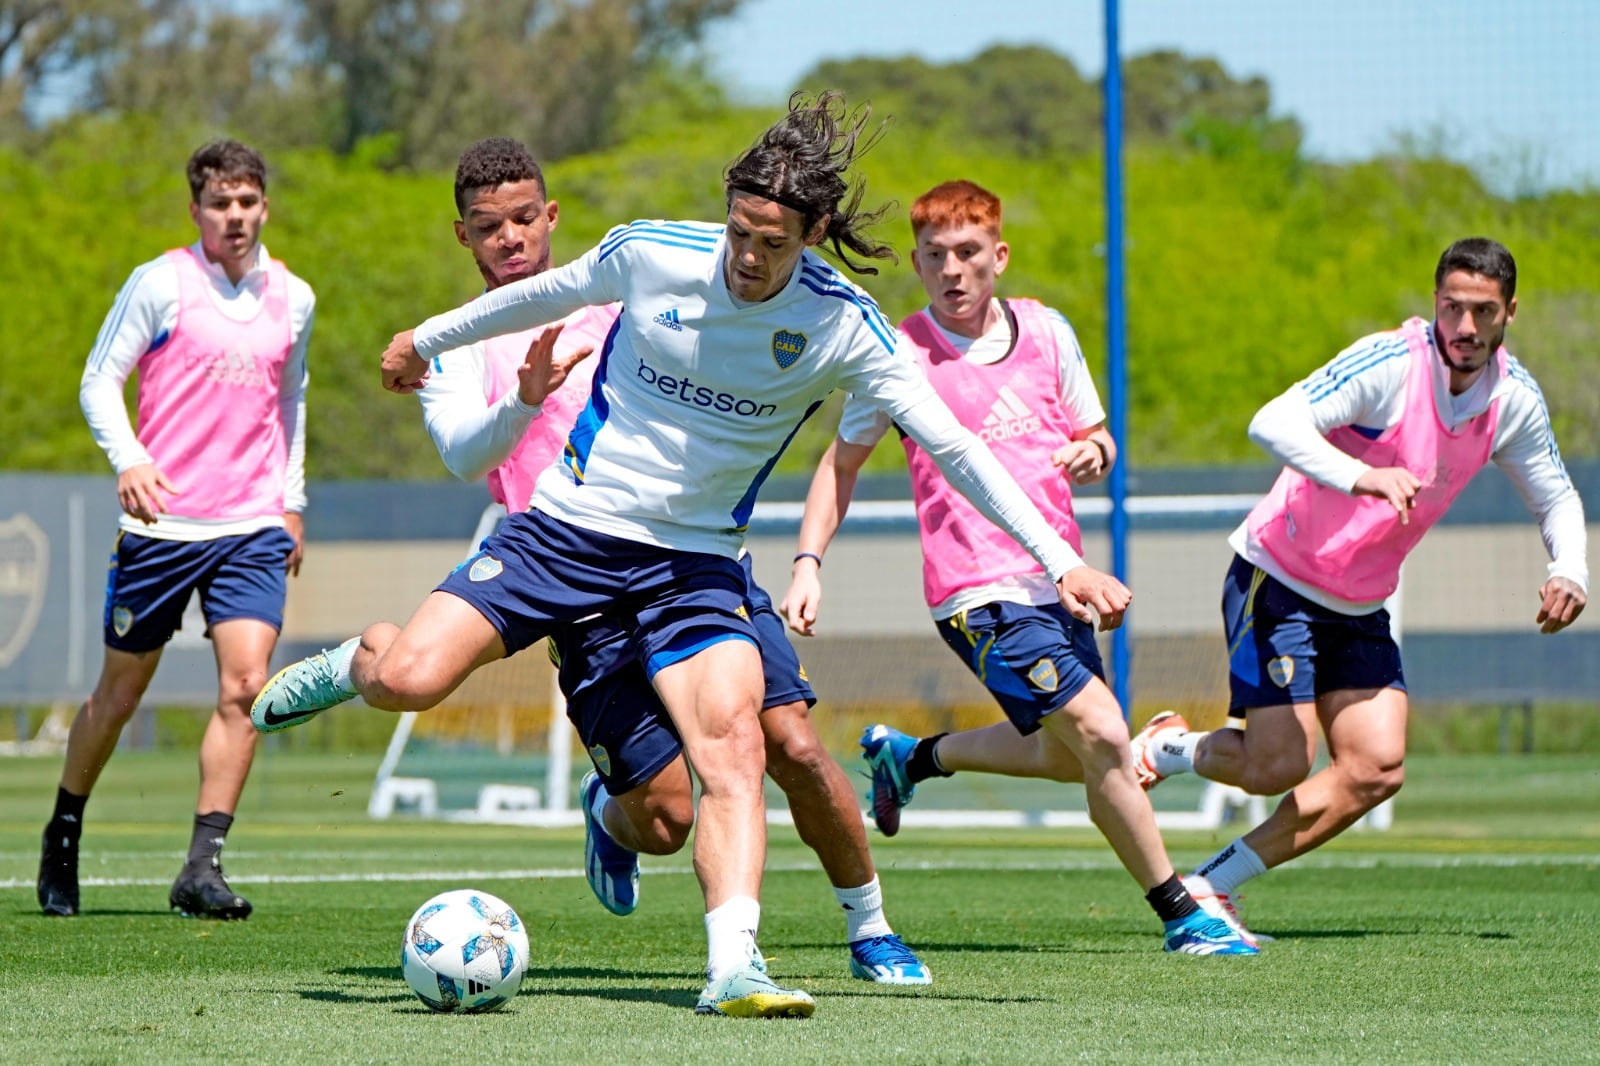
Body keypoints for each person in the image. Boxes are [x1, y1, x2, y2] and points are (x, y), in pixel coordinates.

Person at [252, 91, 1127, 1018]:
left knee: (738, 746)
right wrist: (420, 342)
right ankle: (360, 660)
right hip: (564, 534)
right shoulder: (653, 254)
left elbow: (958, 448)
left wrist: (1059, 561)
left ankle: (735, 966)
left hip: (695, 565)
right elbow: (549, 291)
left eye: (774, 242)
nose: (749, 259)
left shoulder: (846, 325)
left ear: (814, 232)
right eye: (740, 232)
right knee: (412, 681)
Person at [416, 137, 928, 985]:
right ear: (462, 237)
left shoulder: (623, 292)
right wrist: (523, 396)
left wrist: (804, 555)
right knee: (663, 820)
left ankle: (868, 927)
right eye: (485, 227)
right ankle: (609, 819)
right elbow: (467, 457)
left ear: (550, 218)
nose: (508, 239)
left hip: (691, 560)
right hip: (570, 569)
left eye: (521, 220)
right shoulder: (466, 341)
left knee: (791, 742)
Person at [780, 179, 1255, 957]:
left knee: (1069, 757)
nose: (953, 271)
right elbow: (841, 465)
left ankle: (912, 757)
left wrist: (1093, 452)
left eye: (968, 253)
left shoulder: (1046, 331)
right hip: (975, 591)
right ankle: (1185, 914)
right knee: (1103, 733)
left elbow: (1095, 434)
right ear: (918, 262)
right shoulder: (897, 353)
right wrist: (807, 563)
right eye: (935, 257)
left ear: (999, 256)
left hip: (1056, 581)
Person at [1126, 237, 1587, 942]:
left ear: (1509, 314)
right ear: (1434, 302)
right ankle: (1170, 750)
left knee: (1376, 768)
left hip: (1360, 600)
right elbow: (1271, 421)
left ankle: (1210, 885)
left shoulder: (1513, 401)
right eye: (1452, 308)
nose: (1464, 328)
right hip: (1277, 577)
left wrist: (1570, 570)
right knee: (1278, 763)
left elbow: (1556, 497)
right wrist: (1358, 474)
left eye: (1482, 313)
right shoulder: (1392, 366)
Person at [37, 140, 314, 920]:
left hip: (251, 523)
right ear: (196, 209)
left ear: (265, 206)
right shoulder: (159, 284)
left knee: (247, 687)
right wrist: (128, 458)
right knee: (119, 695)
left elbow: (290, 404)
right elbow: (99, 379)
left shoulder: (295, 297)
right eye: (221, 204)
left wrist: (291, 502)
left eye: (249, 202)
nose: (236, 217)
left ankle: (202, 866)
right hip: (161, 524)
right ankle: (63, 830)